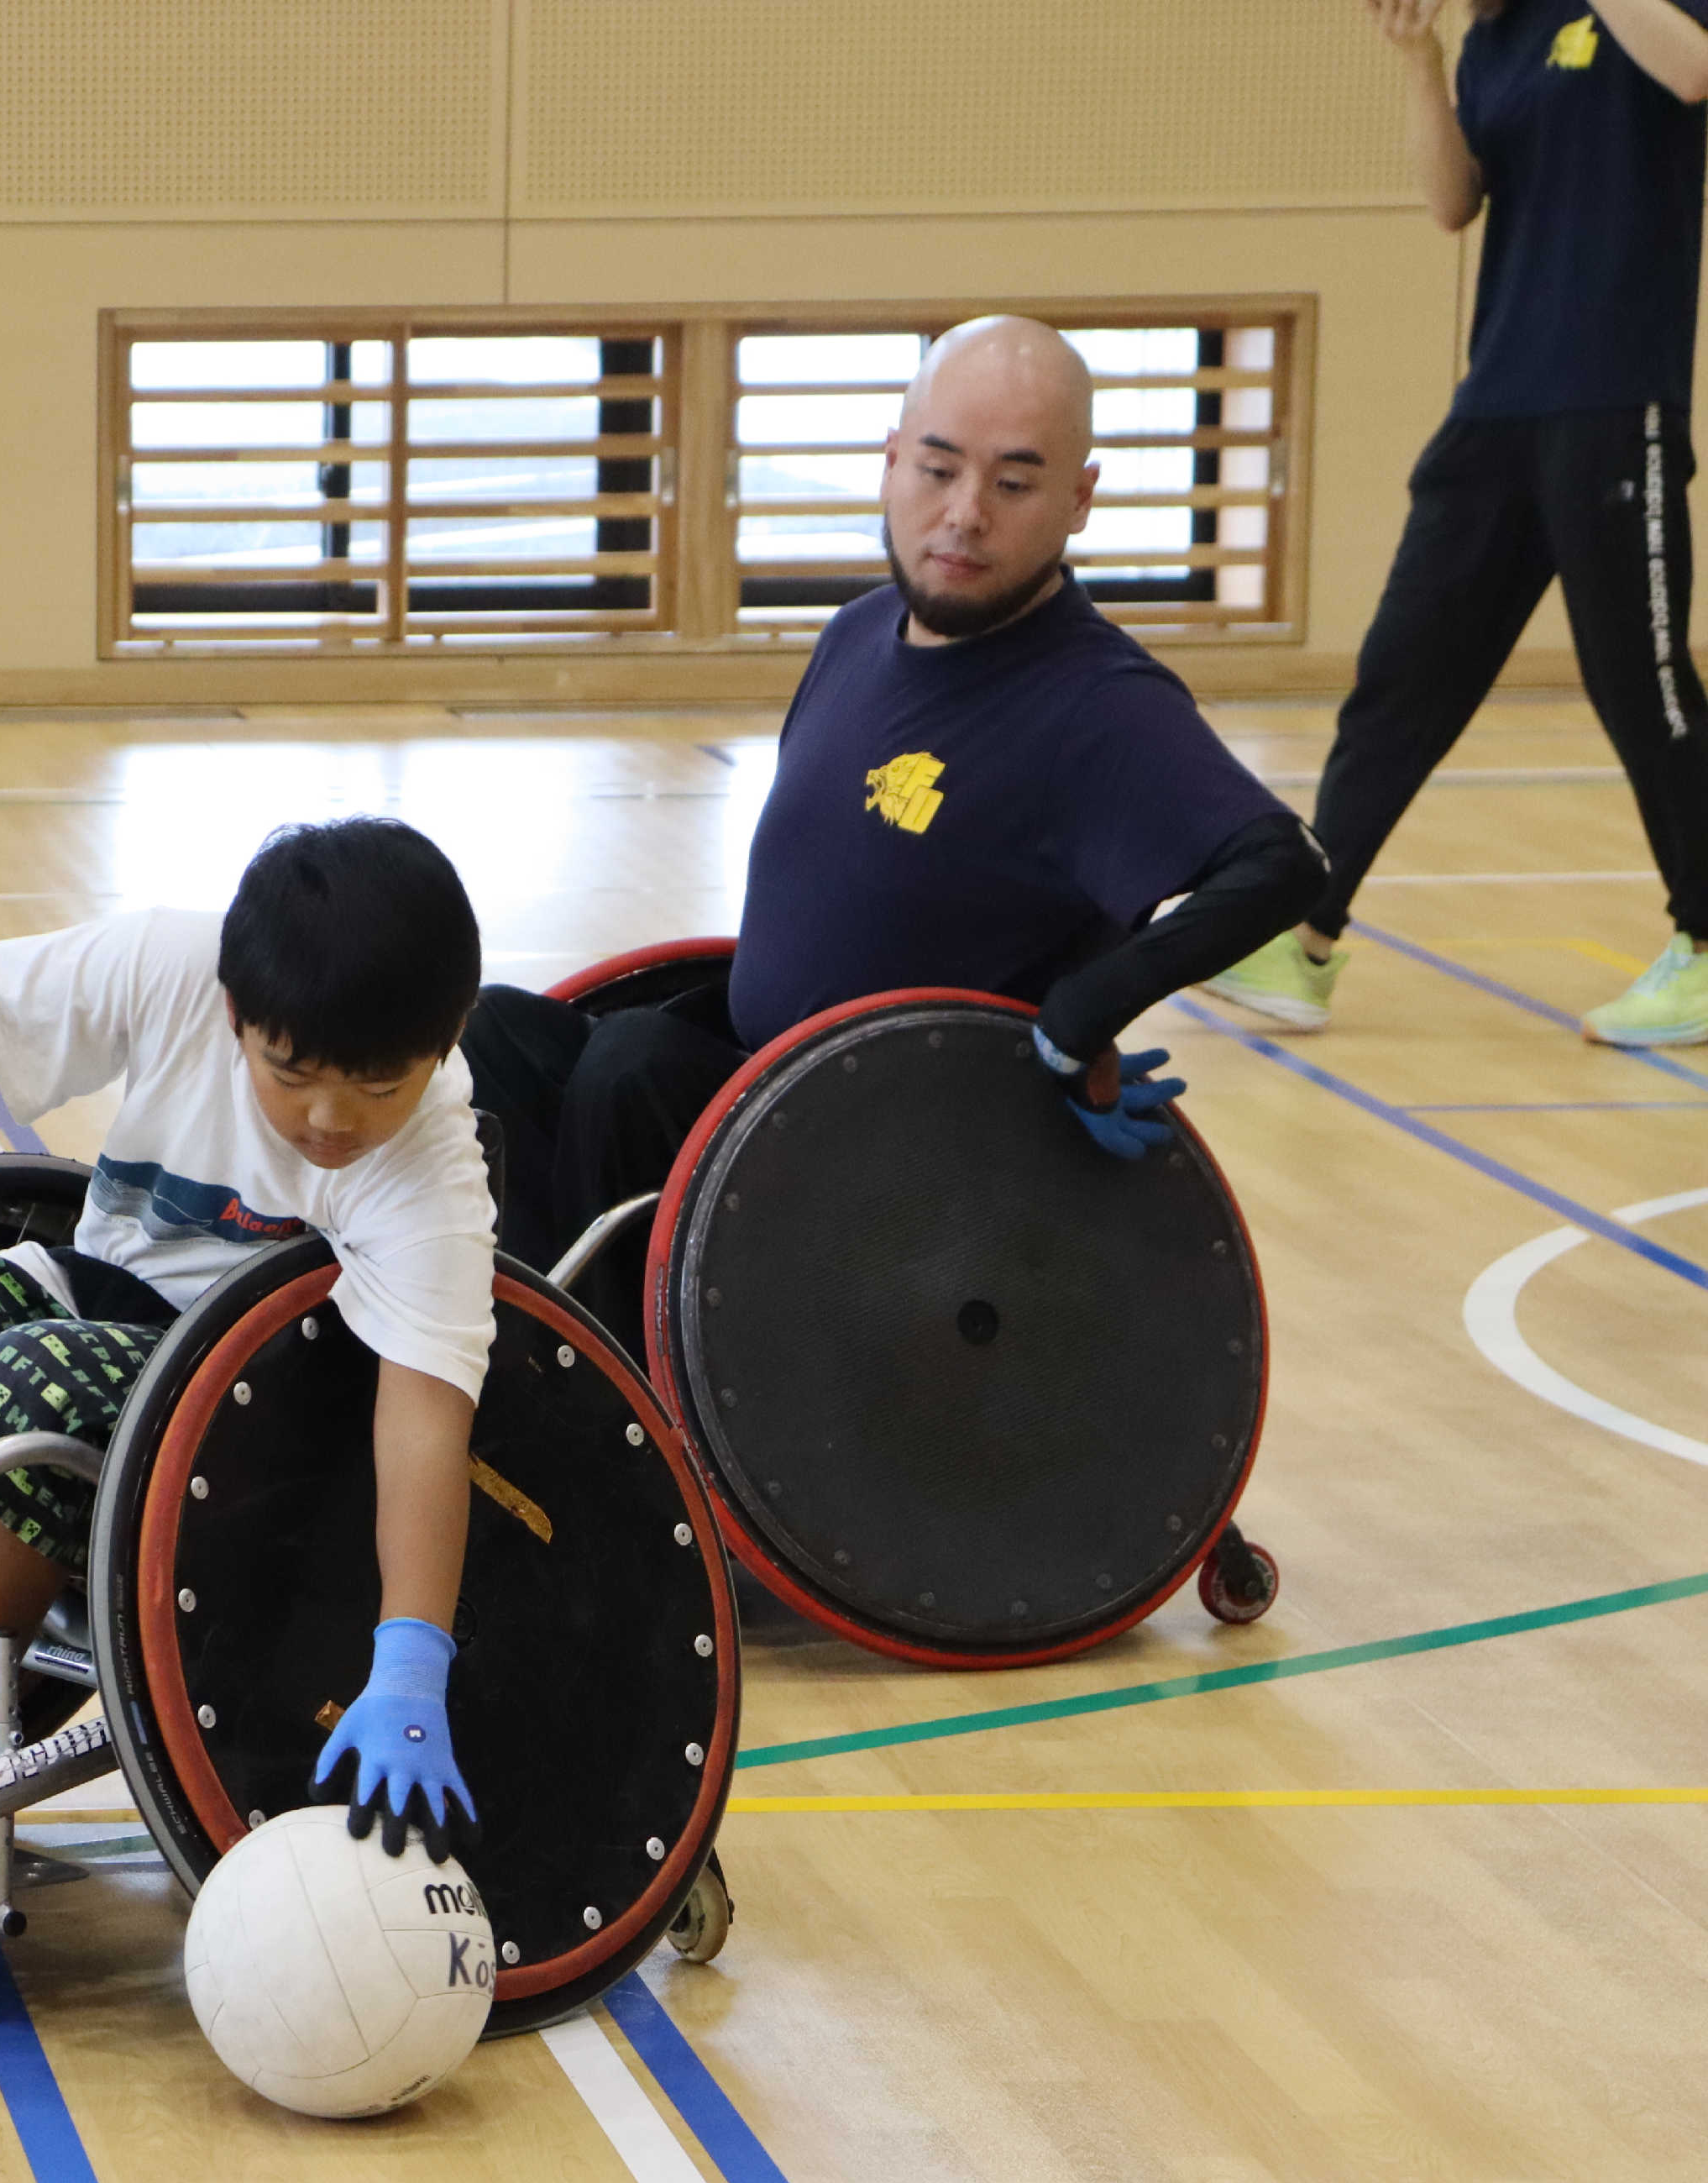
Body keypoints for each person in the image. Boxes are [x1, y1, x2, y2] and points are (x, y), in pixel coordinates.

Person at [461, 317, 1328, 1339]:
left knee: (636, 1068)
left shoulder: (1099, 705)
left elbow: (1280, 865)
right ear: (889, 463)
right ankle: (505, 1344)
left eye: (1013, 483)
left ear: (1080, 499)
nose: (963, 514)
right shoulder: (856, 632)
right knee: (493, 1036)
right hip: (761, 1077)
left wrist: (1081, 1016)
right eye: (938, 468)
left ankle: (609, 1407)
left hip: (899, 1158)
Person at [0, 817, 497, 1865]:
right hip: (93, 1295)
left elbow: (422, 1429)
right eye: (291, 1069)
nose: (328, 1116)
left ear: (441, 1048)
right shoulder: (175, 966)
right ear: (236, 1012)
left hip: (251, 1417)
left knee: (29, 1380)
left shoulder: (433, 1170)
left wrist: (408, 1664)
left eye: (378, 1087)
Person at [1209, 0, 1708, 1047]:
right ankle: (1302, 935)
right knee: (1401, 679)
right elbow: (1451, 202)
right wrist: (1419, 60)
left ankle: (1704, 948)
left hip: (1615, 405)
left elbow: (1698, 73)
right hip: (1496, 413)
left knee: (1642, 687)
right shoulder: (1499, 36)